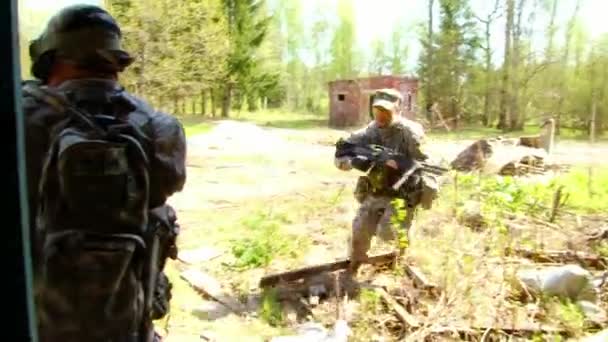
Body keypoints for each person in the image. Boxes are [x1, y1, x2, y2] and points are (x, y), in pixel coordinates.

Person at [22, 4, 186, 342]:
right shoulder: (159, 128)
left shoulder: (23, 118)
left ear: (51, 58)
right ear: (115, 60)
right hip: (126, 326)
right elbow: (163, 192)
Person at [334, 88, 432, 276]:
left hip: (402, 194)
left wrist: (401, 166)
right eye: (377, 110)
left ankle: (396, 263)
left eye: (386, 111)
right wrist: (353, 161)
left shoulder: (410, 133)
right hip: (376, 190)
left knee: (389, 234)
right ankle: (354, 267)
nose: (380, 115)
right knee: (359, 231)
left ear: (398, 110)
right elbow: (342, 153)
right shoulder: (368, 132)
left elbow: (425, 164)